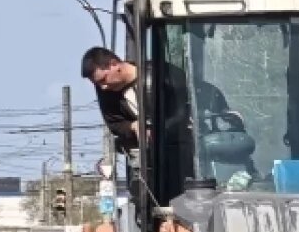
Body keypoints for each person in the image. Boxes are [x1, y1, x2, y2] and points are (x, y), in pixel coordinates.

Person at [80, 46, 233, 152]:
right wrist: (133, 126)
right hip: (153, 163)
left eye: (103, 80)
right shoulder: (106, 92)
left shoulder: (161, 73)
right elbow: (115, 124)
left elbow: (198, 96)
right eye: (97, 84)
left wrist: (158, 130)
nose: (103, 87)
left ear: (114, 64)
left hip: (186, 149)